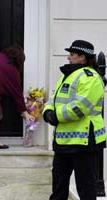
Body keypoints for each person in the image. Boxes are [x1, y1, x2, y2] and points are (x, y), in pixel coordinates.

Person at [43, 40, 106, 200]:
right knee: (58, 188)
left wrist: (54, 116)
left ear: (82, 57)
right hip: (64, 142)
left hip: (84, 142)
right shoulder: (67, 76)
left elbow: (80, 107)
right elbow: (53, 99)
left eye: (72, 54)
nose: (68, 57)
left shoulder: (91, 78)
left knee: (86, 189)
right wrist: (47, 111)